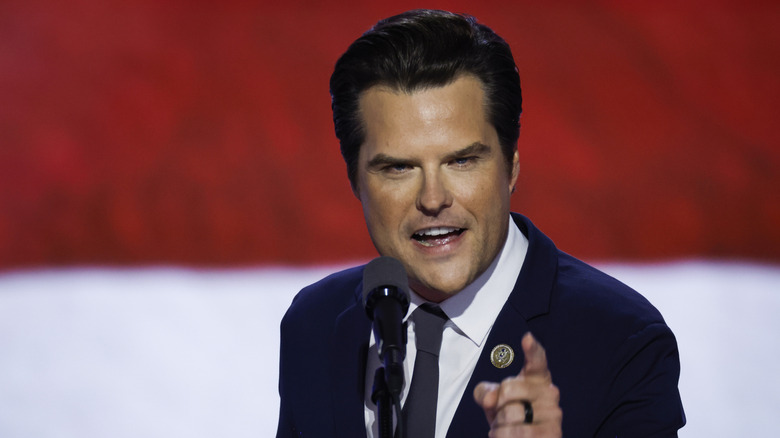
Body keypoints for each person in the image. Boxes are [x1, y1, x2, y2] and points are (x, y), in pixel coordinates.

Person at [277, 9, 685, 438]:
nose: (432, 199)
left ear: (511, 166)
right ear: (355, 180)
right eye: (399, 168)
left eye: (462, 161)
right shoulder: (315, 324)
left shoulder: (619, 343)